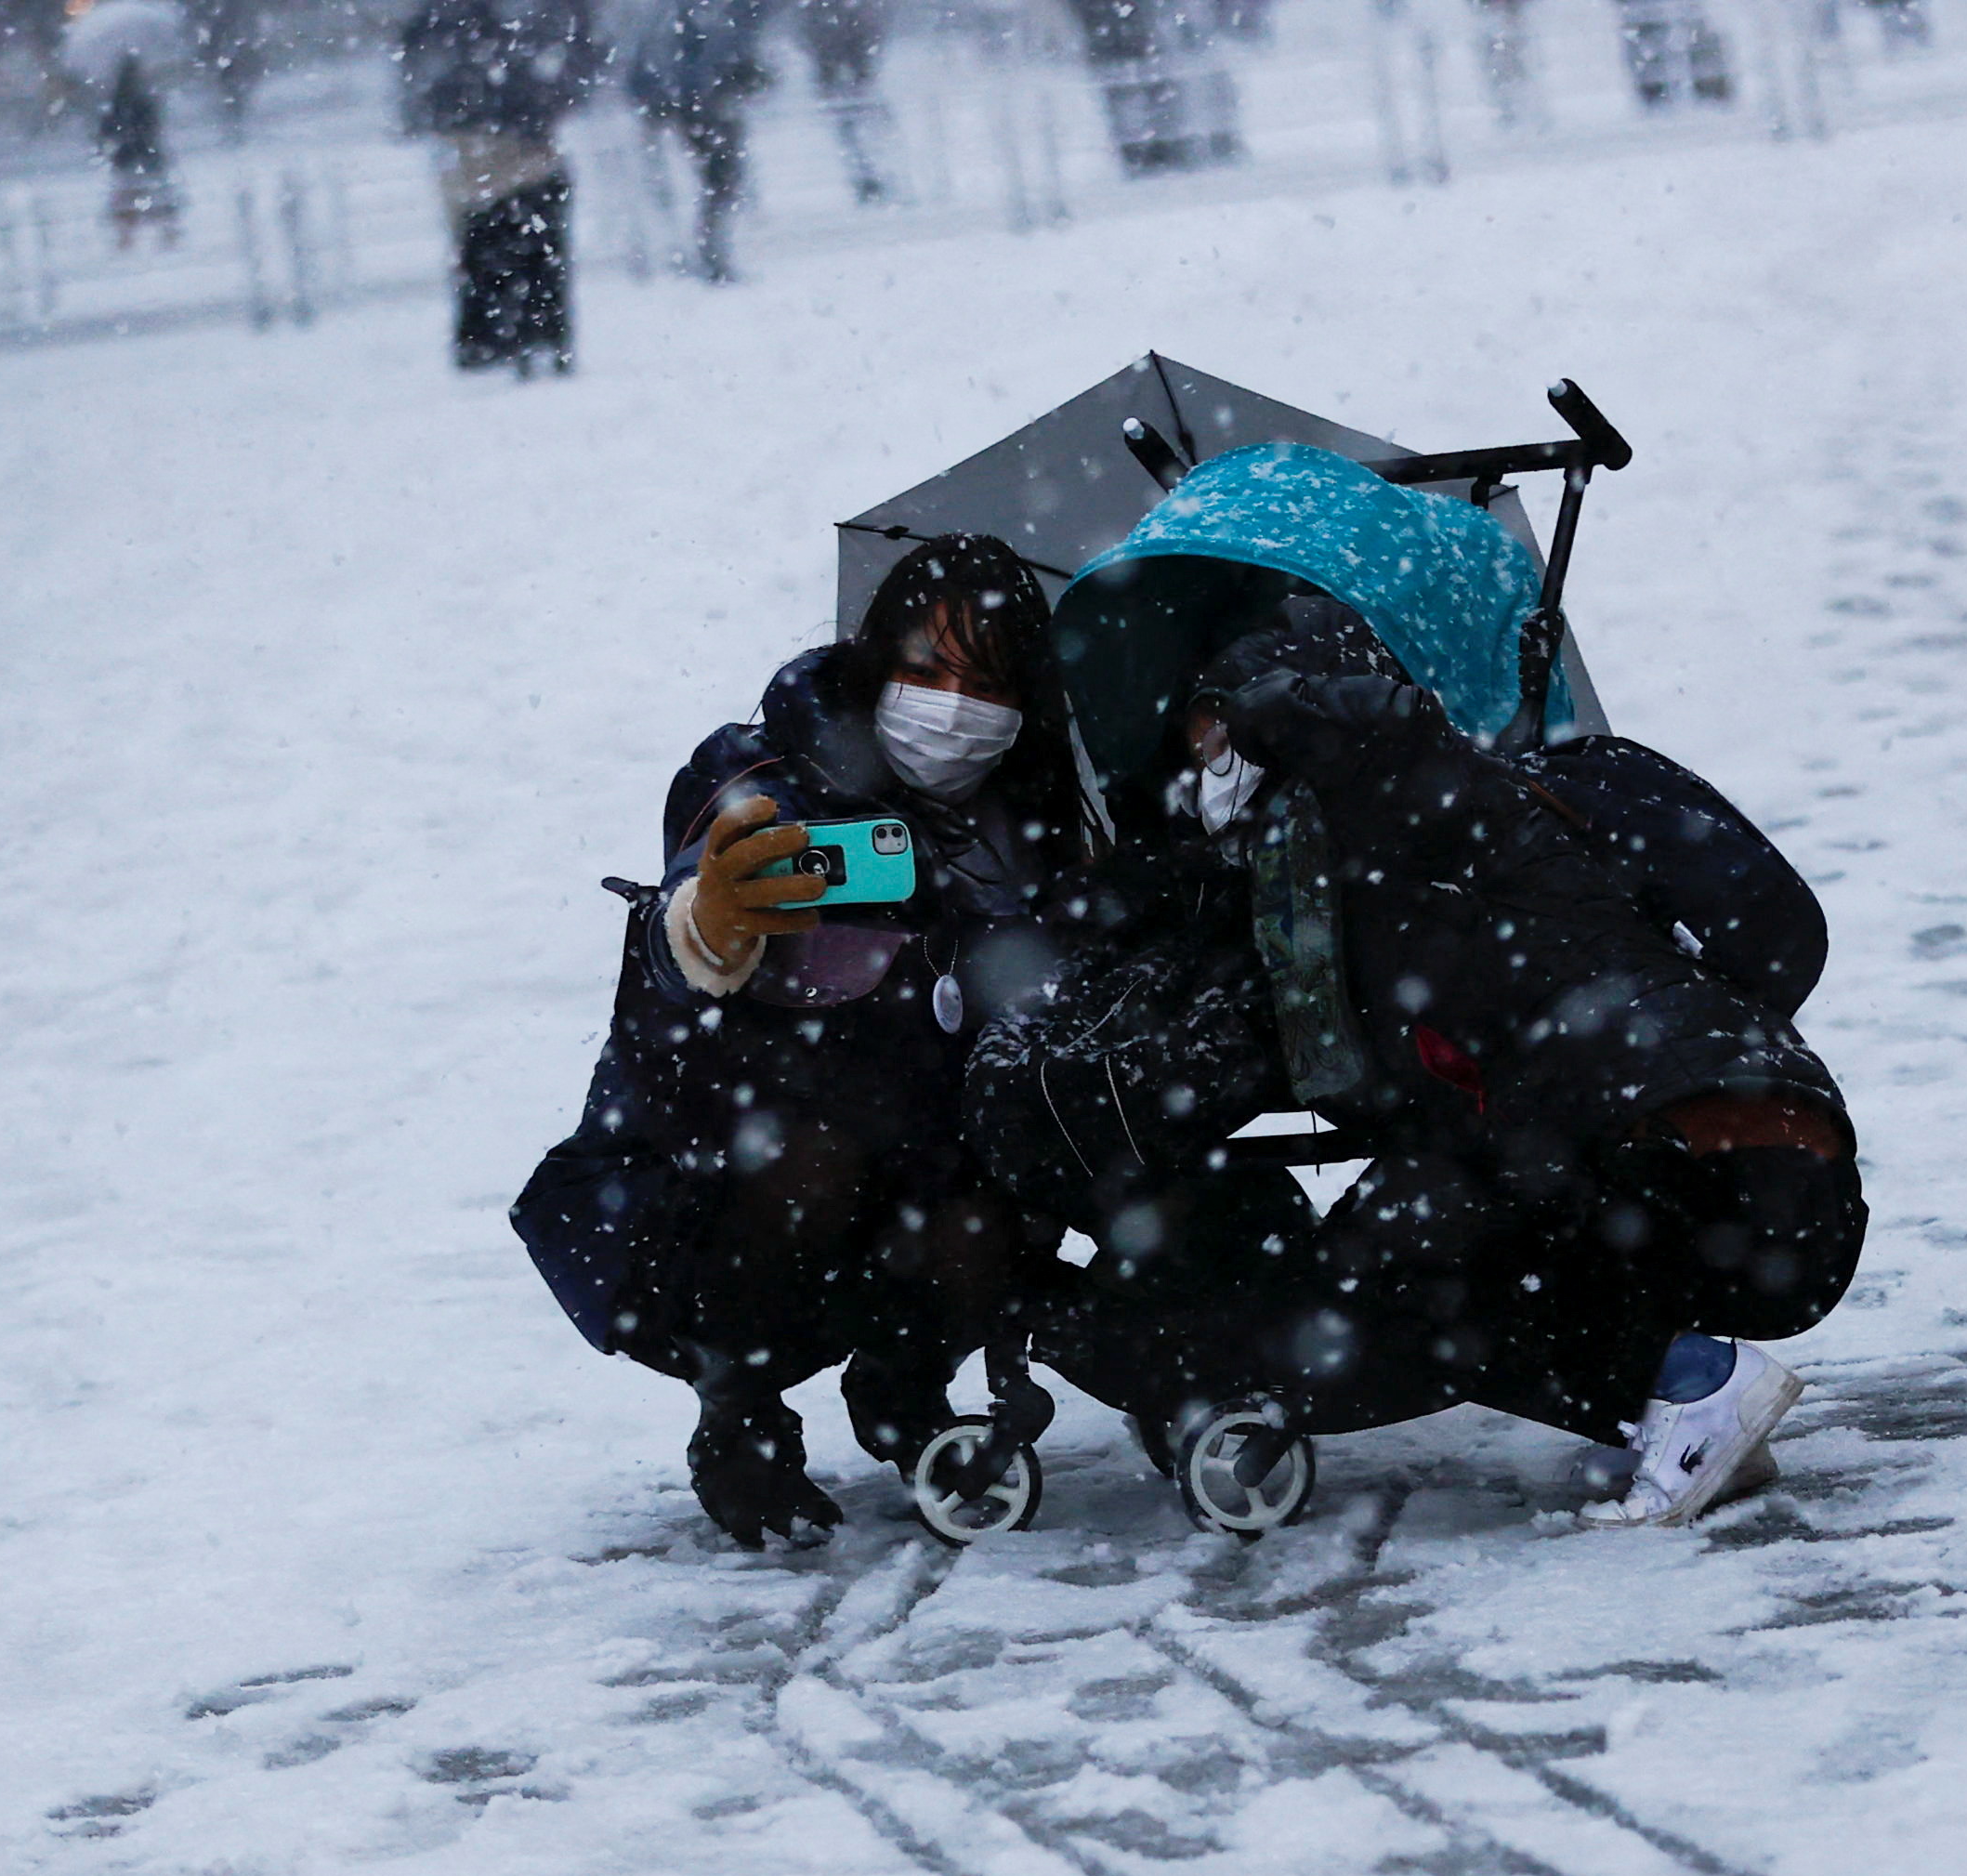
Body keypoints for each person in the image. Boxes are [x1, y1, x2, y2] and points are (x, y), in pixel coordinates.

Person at [989, 589, 1861, 1528]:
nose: (1208, 765)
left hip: (1710, 1159)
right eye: (1200, 739)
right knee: (1405, 1248)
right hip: (1764, 1160)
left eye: (1216, 734)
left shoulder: (1416, 800)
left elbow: (1389, 737)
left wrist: (1282, 704)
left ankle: (1692, 1385)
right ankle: (1680, 1399)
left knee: (1405, 1277)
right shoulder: (1386, 851)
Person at [510, 537, 1105, 1546]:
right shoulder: (766, 773)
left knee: (1003, 1188)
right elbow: (693, 909)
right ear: (876, 666)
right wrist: (712, 925)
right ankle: (737, 1417)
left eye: (985, 681)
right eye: (926, 670)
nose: (952, 705)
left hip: (927, 1160)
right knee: (806, 1163)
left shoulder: (1035, 823)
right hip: (732, 1175)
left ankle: (906, 1391)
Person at [400, 0, 598, 374]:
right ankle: (530, 339)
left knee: (505, 257)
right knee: (530, 257)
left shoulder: (456, 31)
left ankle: (513, 339)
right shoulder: (504, 31)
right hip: (508, 160)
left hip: (495, 163)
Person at [621, 0, 764, 286]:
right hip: (703, 110)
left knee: (713, 183)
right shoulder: (699, 18)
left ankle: (698, 253)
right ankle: (704, 254)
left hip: (694, 109)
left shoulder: (675, 17)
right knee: (719, 182)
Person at [791, 0, 889, 202]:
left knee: (853, 125)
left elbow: (808, 35)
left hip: (844, 72)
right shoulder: (827, 13)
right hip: (845, 72)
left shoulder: (820, 12)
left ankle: (870, 174)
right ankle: (870, 174)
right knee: (855, 125)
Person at [98, 51, 182, 248]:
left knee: (127, 198)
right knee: (159, 196)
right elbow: (154, 125)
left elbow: (106, 130)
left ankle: (126, 238)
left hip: (125, 157)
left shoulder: (114, 102)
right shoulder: (144, 98)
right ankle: (168, 234)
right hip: (148, 156)